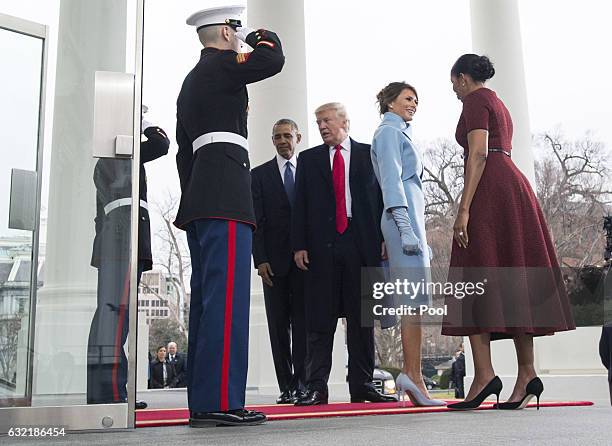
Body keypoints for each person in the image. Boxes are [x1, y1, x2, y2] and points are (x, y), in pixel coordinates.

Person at [441, 54, 575, 410]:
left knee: (472, 278)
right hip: (512, 185)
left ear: (463, 77)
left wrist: (464, 209)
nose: (453, 89)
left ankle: (485, 376)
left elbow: (479, 153)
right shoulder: (498, 101)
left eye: (453, 81)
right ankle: (527, 374)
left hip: (490, 190)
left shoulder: (474, 100)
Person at [175, 5, 284, 427]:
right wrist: (259, 34)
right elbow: (271, 57)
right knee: (227, 302)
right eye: (236, 31)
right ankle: (221, 401)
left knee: (206, 302)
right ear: (225, 31)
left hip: (203, 195)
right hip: (225, 195)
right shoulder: (222, 64)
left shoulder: (191, 82)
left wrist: (196, 195)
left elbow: (185, 153)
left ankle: (206, 402)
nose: (240, 37)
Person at [291, 102, 396, 406]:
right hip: (321, 248)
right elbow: (301, 206)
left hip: (362, 244)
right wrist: (299, 245)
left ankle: (362, 385)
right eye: (318, 122)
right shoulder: (309, 159)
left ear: (344, 122)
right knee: (319, 320)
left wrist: (385, 238)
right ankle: (316, 387)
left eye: (326, 120)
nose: (321, 126)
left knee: (362, 319)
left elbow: (380, 199)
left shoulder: (368, 154)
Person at [87, 108, 169, 410]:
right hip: (122, 240)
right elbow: (161, 143)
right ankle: (109, 392)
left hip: (120, 241)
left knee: (114, 317)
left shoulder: (119, 161)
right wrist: (143, 118)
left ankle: (109, 390)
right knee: (114, 316)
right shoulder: (118, 157)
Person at [371, 82, 445, 407]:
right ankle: (412, 376)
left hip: (413, 222)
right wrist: (405, 229)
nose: (414, 103)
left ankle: (412, 374)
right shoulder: (387, 132)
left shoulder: (401, 133)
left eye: (416, 99)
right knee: (411, 300)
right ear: (389, 102)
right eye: (407, 98)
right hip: (403, 222)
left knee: (415, 301)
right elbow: (390, 181)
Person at [251, 119, 307, 404]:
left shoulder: (309, 172)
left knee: (303, 326)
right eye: (277, 137)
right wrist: (259, 259)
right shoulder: (258, 175)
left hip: (304, 264)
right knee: (277, 327)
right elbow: (255, 221)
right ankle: (286, 387)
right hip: (272, 264)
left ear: (298, 137)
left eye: (287, 135)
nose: (283, 141)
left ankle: (303, 385)